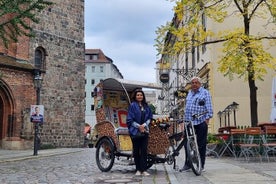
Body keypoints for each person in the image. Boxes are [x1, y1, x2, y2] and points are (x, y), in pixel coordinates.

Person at [180, 76, 213, 172]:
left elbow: (209, 108)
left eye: (196, 82)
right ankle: (188, 164)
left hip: (201, 122)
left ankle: (201, 164)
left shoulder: (205, 93)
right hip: (189, 122)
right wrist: (185, 121)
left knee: (201, 144)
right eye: (192, 83)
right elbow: (187, 108)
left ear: (200, 84)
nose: (194, 84)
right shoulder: (189, 93)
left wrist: (206, 121)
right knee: (187, 144)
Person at [127, 89, 152, 176]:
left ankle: (144, 169)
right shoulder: (132, 105)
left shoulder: (146, 106)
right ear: (135, 96)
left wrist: (144, 125)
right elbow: (130, 120)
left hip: (145, 131)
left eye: (141, 95)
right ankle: (138, 169)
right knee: (136, 150)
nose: (139, 96)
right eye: (138, 95)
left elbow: (149, 118)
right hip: (135, 131)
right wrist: (139, 126)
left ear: (143, 96)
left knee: (144, 150)